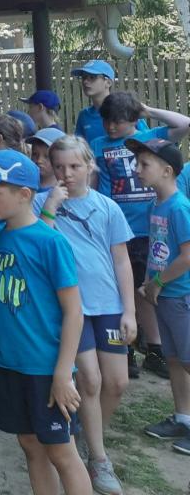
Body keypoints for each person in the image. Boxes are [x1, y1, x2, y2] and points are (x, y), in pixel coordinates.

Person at [0, 150, 89, 495]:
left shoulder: (51, 243)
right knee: (30, 444)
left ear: (24, 194)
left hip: (45, 368)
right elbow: (1, 305)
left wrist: (63, 373)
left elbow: (74, 312)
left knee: (61, 452)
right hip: (8, 363)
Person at [40, 135, 134, 494]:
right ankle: (98, 459)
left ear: (90, 165)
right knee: (90, 380)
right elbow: (38, 244)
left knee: (117, 382)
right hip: (71, 308)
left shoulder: (107, 206)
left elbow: (121, 260)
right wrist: (51, 205)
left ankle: (82, 433)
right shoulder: (41, 202)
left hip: (109, 305)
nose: (67, 173)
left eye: (75, 166)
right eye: (59, 166)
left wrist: (129, 311)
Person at [90, 92, 190, 378]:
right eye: (107, 121)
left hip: (151, 228)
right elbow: (95, 183)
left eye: (118, 121)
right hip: (117, 230)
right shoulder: (98, 144)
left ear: (134, 119)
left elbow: (185, 123)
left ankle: (155, 349)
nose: (111, 127)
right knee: (123, 289)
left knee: (146, 292)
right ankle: (127, 348)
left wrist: (147, 110)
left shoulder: (149, 138)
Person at [129, 138, 190, 455]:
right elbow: (158, 250)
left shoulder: (179, 207)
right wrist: (148, 283)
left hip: (181, 296)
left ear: (167, 171)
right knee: (175, 360)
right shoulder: (156, 205)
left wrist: (156, 283)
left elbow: (188, 256)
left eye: (144, 164)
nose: (137, 169)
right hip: (165, 296)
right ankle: (183, 418)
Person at [72, 60, 145, 144]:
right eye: (84, 77)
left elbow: (146, 139)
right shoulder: (84, 115)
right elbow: (79, 146)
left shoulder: (126, 108)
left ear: (108, 82)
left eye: (92, 77)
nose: (85, 82)